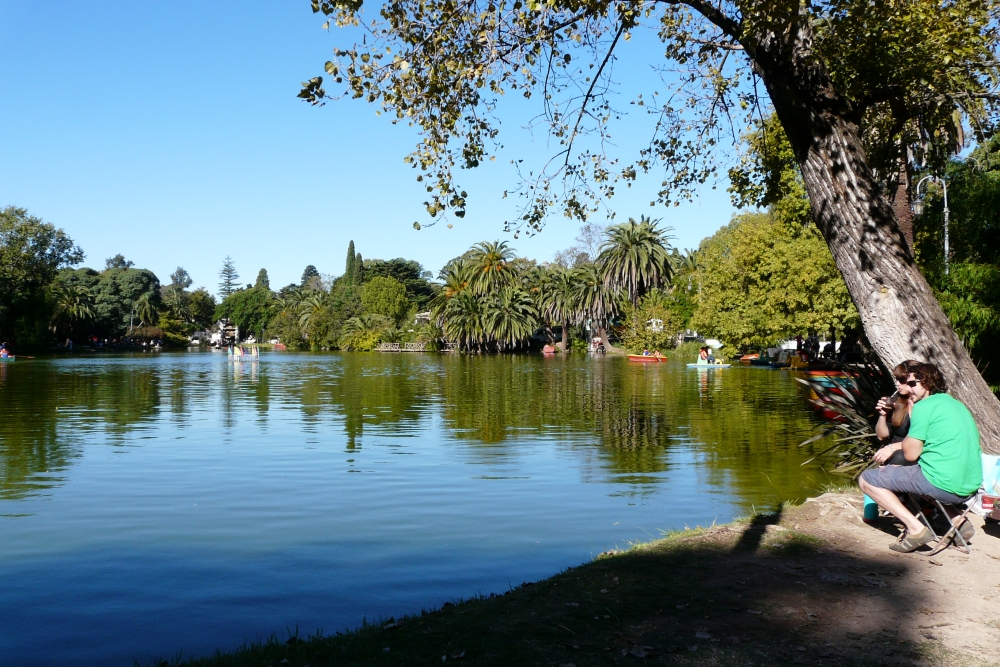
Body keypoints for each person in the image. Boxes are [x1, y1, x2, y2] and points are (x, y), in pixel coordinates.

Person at [859, 362, 984, 552]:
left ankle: (916, 529)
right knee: (920, 475)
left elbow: (910, 454)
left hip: (944, 484)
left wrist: (912, 417)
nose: (908, 389)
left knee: (867, 479)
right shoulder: (954, 404)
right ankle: (958, 520)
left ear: (927, 382)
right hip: (970, 486)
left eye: (912, 384)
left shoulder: (923, 408)